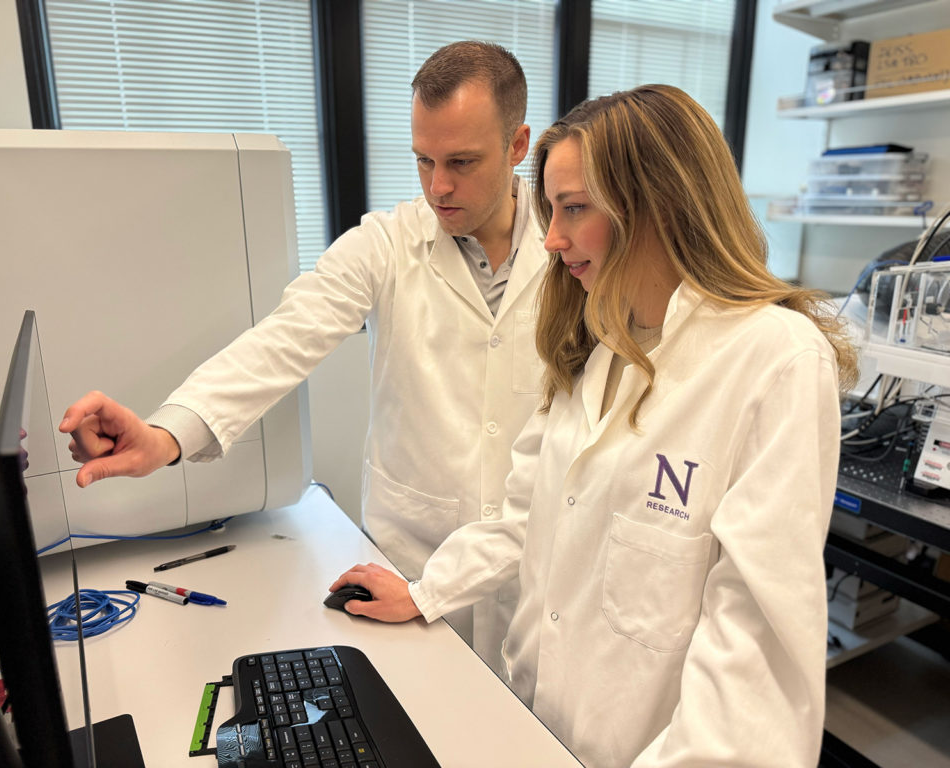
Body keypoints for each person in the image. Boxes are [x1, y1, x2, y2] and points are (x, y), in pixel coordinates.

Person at [329, 85, 858, 768]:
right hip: (534, 722)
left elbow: (752, 646)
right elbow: (522, 517)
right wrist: (426, 592)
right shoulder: (594, 344)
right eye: (551, 209)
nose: (549, 238)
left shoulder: (773, 358)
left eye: (574, 209)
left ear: (660, 202)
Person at [58, 41, 547, 673]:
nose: (438, 187)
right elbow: (282, 340)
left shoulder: (571, 252)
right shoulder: (386, 243)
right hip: (410, 559)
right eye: (423, 161)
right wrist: (165, 436)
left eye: (461, 161)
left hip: (531, 571)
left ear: (517, 145)